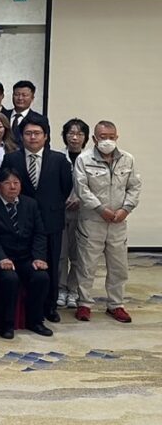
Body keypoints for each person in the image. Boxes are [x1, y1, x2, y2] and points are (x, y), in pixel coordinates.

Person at [1, 116, 72, 323]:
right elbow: (6, 185)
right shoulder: (11, 159)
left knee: (51, 263)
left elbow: (65, 188)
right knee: (26, 264)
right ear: (21, 136)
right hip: (21, 220)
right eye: (28, 133)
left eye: (37, 133)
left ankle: (49, 306)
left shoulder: (59, 160)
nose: (33, 137)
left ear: (45, 136)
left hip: (51, 220)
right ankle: (24, 307)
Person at [73, 121, 141, 323]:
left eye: (111, 137)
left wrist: (125, 209)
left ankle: (116, 304)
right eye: (103, 137)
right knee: (87, 265)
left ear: (117, 137)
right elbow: (81, 189)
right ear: (94, 139)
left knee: (119, 266)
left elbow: (134, 187)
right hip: (92, 221)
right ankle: (84, 304)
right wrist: (100, 209)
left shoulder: (127, 159)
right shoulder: (84, 159)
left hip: (118, 221)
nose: (107, 141)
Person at [0, 168, 54, 338]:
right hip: (0, 258)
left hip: (25, 257)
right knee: (9, 278)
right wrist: (1, 258)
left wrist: (38, 257)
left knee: (41, 277)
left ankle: (35, 321)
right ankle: (7, 324)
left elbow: (39, 233)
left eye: (16, 183)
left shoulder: (30, 204)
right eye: (7, 183)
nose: (12, 187)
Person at [57, 118, 89, 310]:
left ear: (85, 137)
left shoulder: (90, 159)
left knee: (78, 255)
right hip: (60, 212)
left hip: (83, 213)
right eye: (71, 133)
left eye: (79, 134)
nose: (74, 138)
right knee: (61, 254)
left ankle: (73, 290)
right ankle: (61, 289)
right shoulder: (58, 157)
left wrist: (81, 200)